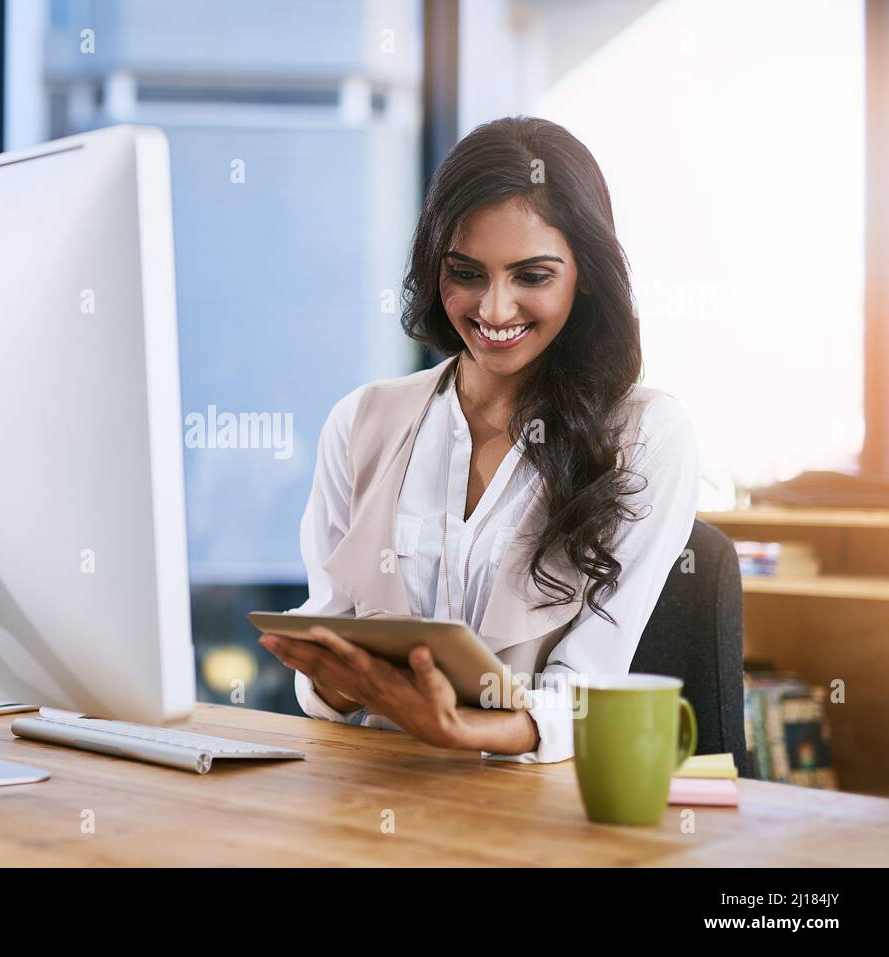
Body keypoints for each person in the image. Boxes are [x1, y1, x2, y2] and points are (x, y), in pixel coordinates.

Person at [258, 116, 699, 763]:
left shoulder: (647, 435)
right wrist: (328, 677)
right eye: (466, 272)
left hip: (529, 812)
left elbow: (593, 689)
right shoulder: (360, 421)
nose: (493, 310)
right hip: (369, 789)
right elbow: (328, 637)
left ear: (587, 275)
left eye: (532, 276)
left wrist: (466, 731)